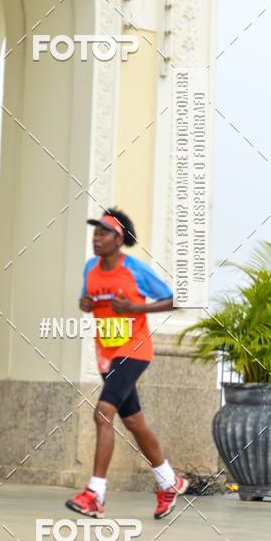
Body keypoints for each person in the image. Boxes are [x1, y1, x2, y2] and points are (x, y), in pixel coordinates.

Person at [64, 209, 188, 520]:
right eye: (95, 231)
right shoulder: (90, 268)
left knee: (103, 412)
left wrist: (134, 306)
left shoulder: (134, 270)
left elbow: (177, 298)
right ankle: (168, 481)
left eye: (103, 232)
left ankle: (95, 494)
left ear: (118, 239)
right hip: (107, 352)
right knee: (133, 422)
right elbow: (87, 299)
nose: (96, 237)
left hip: (134, 349)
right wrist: (85, 303)